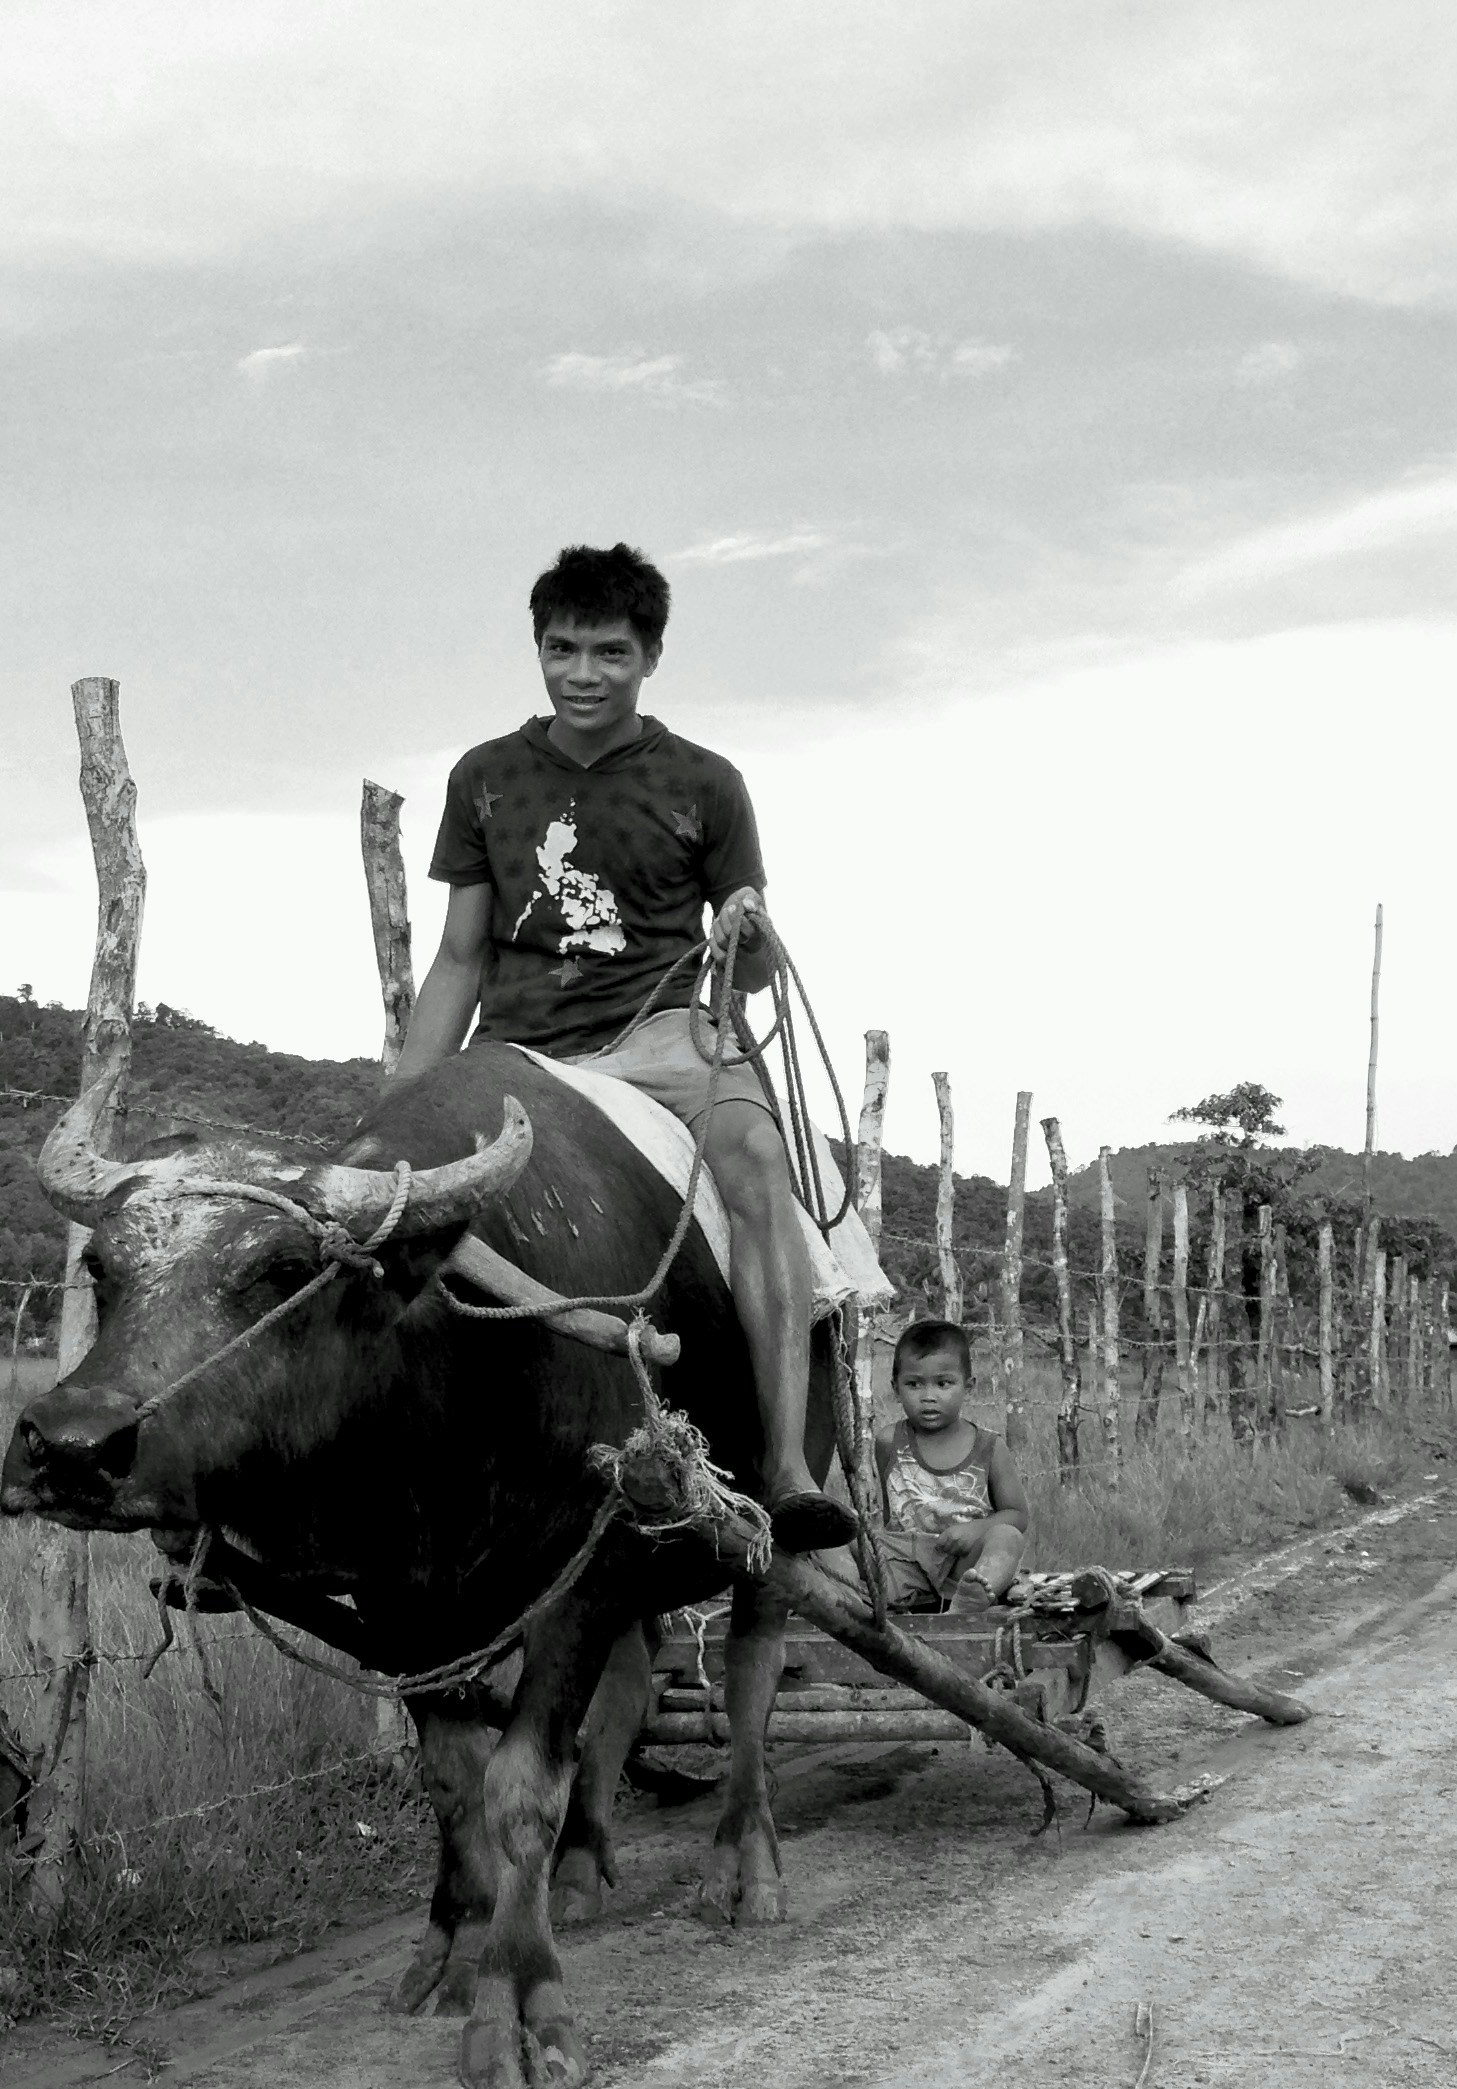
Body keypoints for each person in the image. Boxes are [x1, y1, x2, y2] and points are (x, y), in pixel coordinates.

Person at [396, 543, 856, 1549]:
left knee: (757, 1157)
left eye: (610, 652)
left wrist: (745, 933)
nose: (584, 673)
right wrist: (398, 1101)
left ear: (651, 656)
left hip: (669, 1033)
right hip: (522, 1052)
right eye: (563, 650)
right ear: (540, 651)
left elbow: (753, 969)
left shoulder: (706, 783)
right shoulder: (485, 777)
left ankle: (785, 1465)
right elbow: (459, 958)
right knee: (391, 1211)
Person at [873, 1320, 1028, 1612]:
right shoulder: (888, 1442)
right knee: (848, 1541)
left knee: (1007, 1537)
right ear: (896, 1388)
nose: (928, 1396)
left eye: (943, 1383)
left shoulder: (989, 1447)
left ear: (968, 1386)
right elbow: (889, 1516)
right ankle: (887, 1595)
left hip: (965, 1564)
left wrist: (976, 1529)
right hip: (907, 1563)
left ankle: (971, 1599)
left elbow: (1018, 1515)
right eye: (914, 1384)